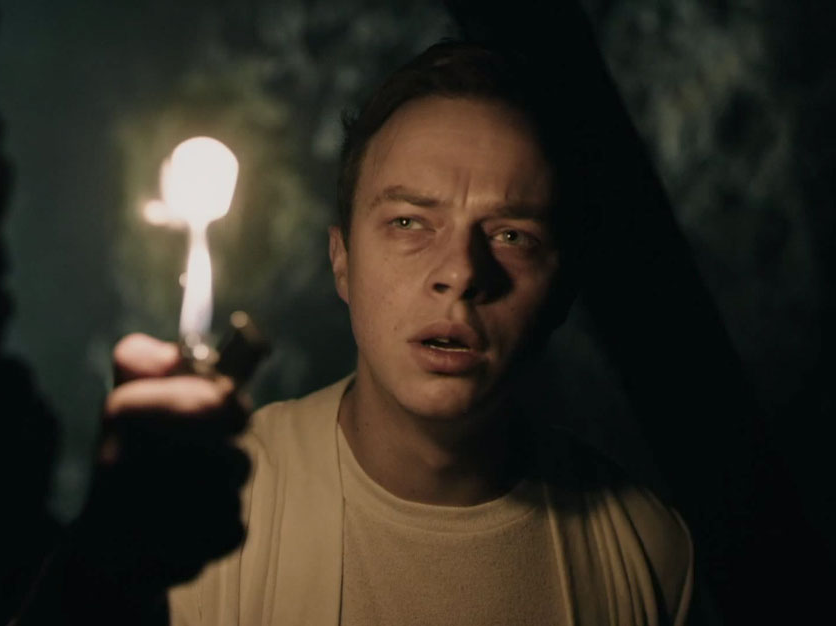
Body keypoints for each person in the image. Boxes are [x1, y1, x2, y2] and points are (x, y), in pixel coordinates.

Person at [108, 41, 693, 625]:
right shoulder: (210, 511)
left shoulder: (644, 553)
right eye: (409, 222)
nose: (460, 273)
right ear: (342, 260)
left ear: (562, 287)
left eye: (512, 236)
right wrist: (106, 566)